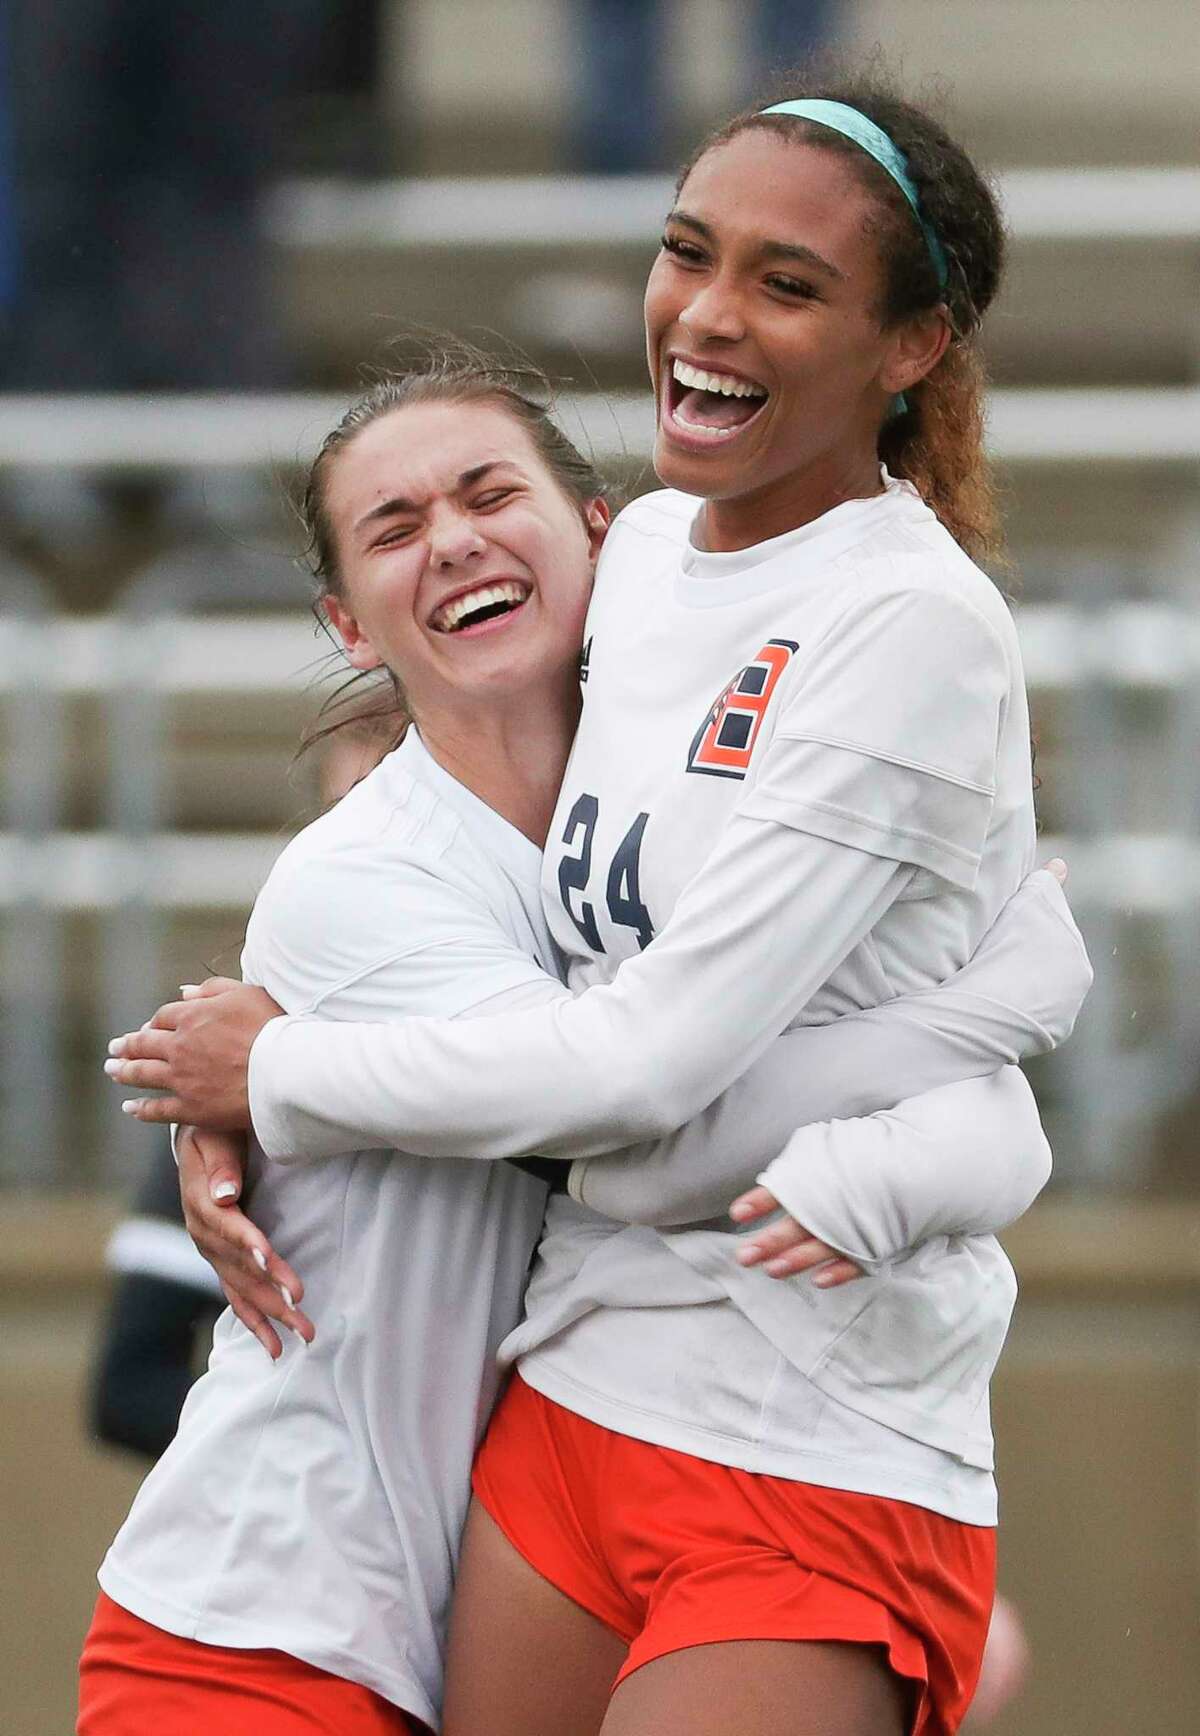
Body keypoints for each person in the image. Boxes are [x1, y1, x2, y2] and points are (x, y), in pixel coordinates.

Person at [106, 64, 1085, 1732]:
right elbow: (620, 1086)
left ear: (913, 346)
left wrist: (270, 1081)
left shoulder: (892, 618)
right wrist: (991, 1032)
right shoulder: (640, 574)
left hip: (809, 1435)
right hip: (564, 1405)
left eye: (788, 284)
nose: (706, 314)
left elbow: (641, 1087)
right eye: (686, 252)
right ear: (348, 621)